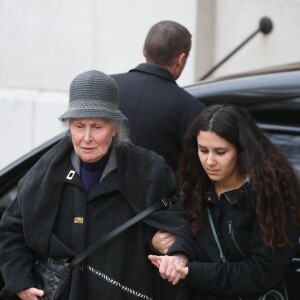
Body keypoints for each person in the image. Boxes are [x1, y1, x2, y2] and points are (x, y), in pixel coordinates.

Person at [0, 70, 194, 300]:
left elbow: (179, 221)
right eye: (79, 126)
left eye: (97, 127)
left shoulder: (149, 169)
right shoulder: (44, 173)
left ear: (114, 128)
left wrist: (177, 254)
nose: (87, 137)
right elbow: (12, 230)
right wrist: (20, 282)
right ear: (69, 127)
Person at [149, 104, 300, 300]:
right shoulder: (193, 185)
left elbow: (260, 273)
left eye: (220, 152)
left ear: (242, 151)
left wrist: (191, 272)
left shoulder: (272, 195)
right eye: (203, 150)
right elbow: (179, 228)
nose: (210, 161)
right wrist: (172, 248)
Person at [112, 20, 204, 175]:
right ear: (181, 59)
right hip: (159, 197)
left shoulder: (106, 86)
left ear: (143, 50)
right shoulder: (192, 108)